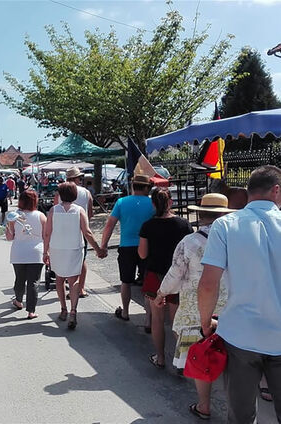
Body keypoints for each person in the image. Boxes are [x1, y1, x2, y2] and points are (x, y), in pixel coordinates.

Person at [198, 165, 281, 423]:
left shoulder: (226, 225)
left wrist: (205, 323)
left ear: (248, 192)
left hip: (240, 335)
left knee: (241, 416)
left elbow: (209, 284)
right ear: (276, 191)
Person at [154, 193, 233, 420]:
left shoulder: (189, 242)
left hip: (195, 311)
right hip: (230, 309)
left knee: (202, 360)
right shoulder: (234, 240)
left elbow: (175, 274)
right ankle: (235, 408)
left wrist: (161, 294)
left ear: (200, 214)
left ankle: (204, 405)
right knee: (232, 359)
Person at [138, 187, 193, 369]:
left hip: (155, 275)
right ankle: (181, 362)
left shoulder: (147, 226)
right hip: (179, 277)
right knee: (177, 320)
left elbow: (143, 254)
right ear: (171, 202)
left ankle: (160, 358)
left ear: (153, 204)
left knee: (157, 320)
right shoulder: (184, 225)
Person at [43, 182, 104, 329]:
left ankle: (63, 309)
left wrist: (46, 251)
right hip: (74, 248)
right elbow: (87, 232)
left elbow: (47, 233)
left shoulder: (53, 211)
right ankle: (73, 311)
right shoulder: (79, 210)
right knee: (74, 280)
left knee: (59, 279)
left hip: (57, 248)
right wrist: (98, 248)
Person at [99, 174, 154, 322]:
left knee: (126, 281)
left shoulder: (121, 202)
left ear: (133, 186)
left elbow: (109, 225)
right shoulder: (152, 203)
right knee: (148, 282)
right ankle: (148, 318)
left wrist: (103, 246)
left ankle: (126, 312)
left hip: (126, 247)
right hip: (147, 246)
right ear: (147, 187)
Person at [5, 190, 46, 319]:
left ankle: (18, 300)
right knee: (33, 282)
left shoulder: (14, 216)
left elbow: (9, 237)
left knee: (20, 280)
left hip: (18, 252)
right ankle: (31, 311)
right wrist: (47, 252)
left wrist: (8, 227)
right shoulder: (41, 216)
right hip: (36, 252)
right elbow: (46, 235)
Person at [63, 166, 94, 299]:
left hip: (64, 231)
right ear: (75, 178)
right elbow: (91, 213)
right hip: (81, 229)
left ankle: (69, 284)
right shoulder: (86, 192)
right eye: (79, 178)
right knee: (82, 259)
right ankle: (80, 288)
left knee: (66, 259)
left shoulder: (60, 193)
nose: (81, 180)